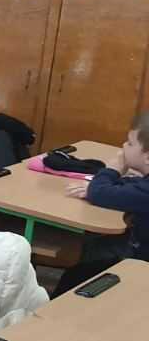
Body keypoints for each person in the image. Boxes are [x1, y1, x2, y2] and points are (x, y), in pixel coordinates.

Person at [61, 112, 149, 293]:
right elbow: (133, 186)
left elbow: (99, 193)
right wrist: (101, 187)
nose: (123, 146)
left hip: (141, 264)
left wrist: (113, 170)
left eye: (130, 143)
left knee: (76, 275)